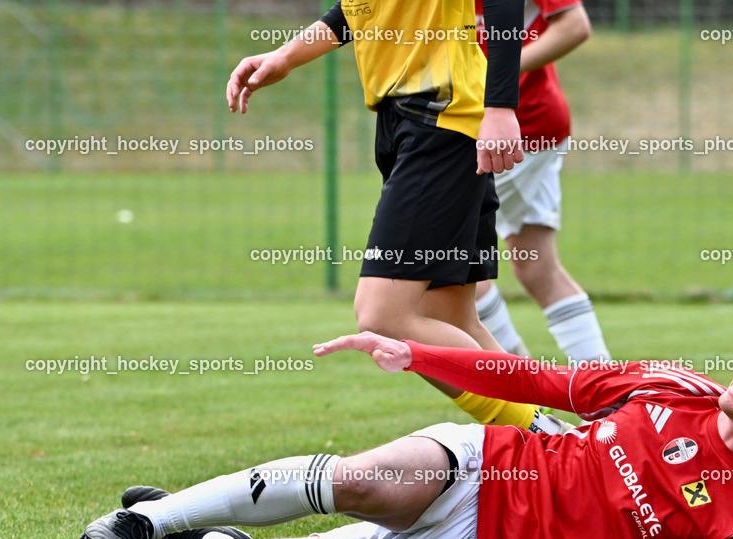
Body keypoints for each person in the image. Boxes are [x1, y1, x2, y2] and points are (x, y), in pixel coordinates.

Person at [80, 298, 733, 539]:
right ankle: (141, 525)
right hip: (493, 466)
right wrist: (420, 356)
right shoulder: (669, 385)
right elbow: (537, 378)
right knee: (362, 480)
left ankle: (196, 530)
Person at [227, 2, 563, 432]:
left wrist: (501, 107)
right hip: (413, 123)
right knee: (448, 320)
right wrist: (286, 56)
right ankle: (555, 443)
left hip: (440, 119)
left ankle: (544, 435)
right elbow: (360, 9)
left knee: (382, 315)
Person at [472, 0, 611, 362]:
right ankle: (608, 398)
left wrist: (494, 71)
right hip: (498, 125)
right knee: (536, 267)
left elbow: (574, 25)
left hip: (515, 127)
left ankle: (519, 384)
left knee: (450, 269)